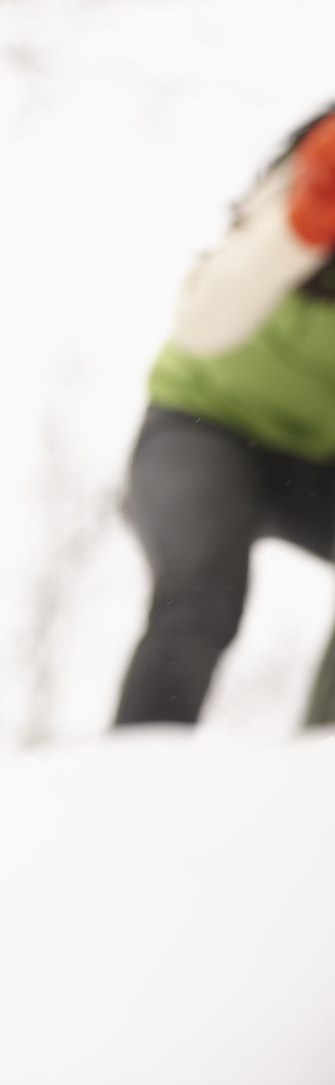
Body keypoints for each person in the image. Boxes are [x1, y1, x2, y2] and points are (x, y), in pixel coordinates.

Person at [115, 105, 335, 727]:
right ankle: (132, 781)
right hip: (205, 426)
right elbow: (204, 324)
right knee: (199, 597)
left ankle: (319, 775)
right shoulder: (313, 171)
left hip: (320, 465)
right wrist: (303, 227)